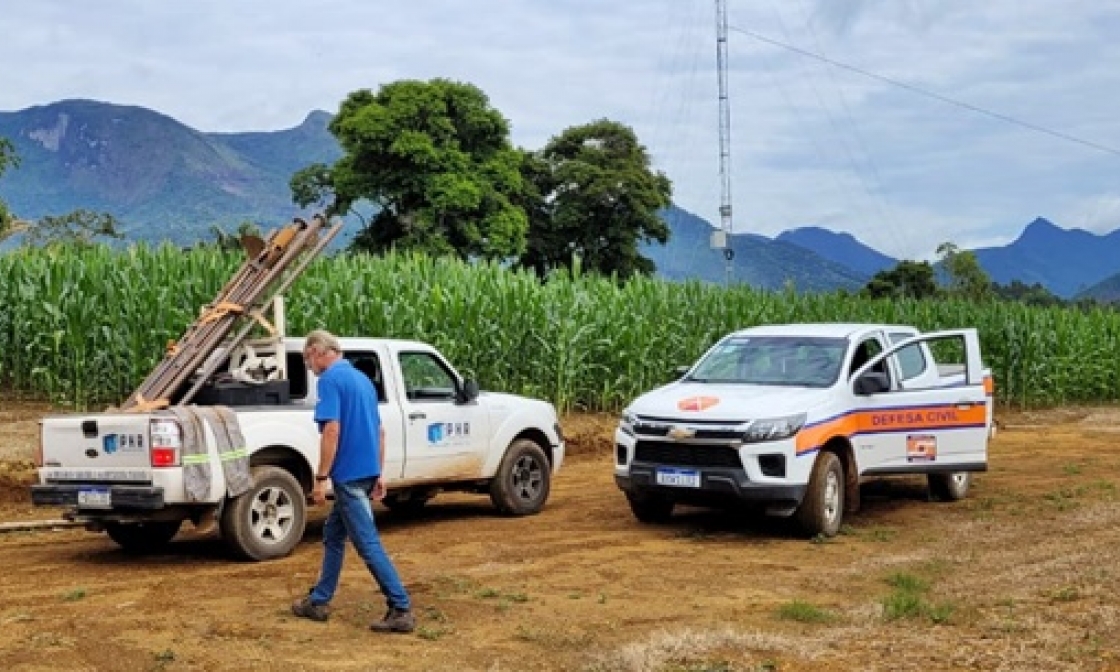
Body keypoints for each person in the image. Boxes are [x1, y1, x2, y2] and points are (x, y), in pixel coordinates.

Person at [290, 329, 415, 634]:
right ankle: (318, 601)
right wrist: (379, 472)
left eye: (308, 359)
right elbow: (380, 431)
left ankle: (401, 607)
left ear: (320, 351)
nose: (309, 367)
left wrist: (320, 479)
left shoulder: (330, 380)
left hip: (347, 477)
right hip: (366, 472)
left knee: (367, 543)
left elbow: (331, 430)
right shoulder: (363, 380)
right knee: (334, 535)